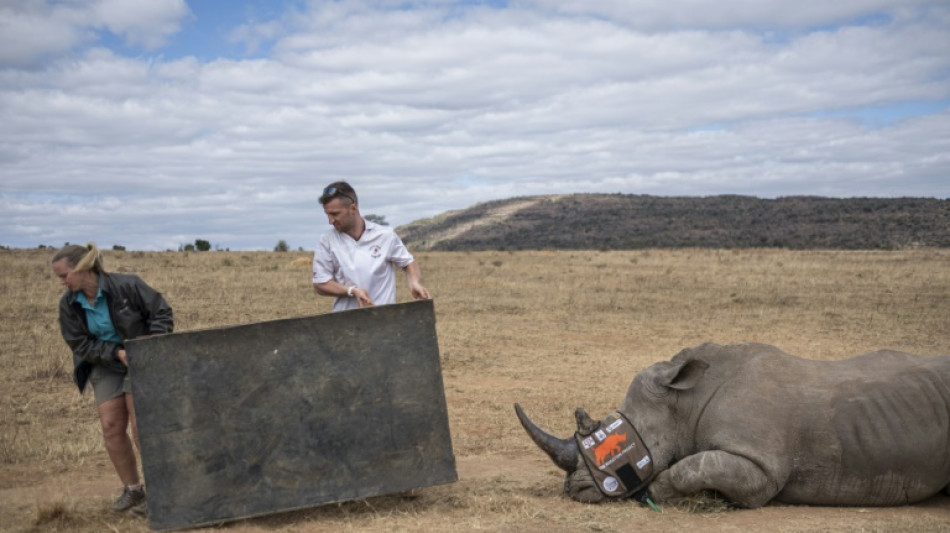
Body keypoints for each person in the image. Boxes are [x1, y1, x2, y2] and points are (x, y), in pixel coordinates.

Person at [51, 243, 173, 516]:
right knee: (111, 426)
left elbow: (162, 313)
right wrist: (116, 353)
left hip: (140, 359)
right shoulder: (68, 304)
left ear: (82, 269)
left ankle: (163, 492)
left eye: (64, 275)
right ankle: (132, 490)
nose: (61, 282)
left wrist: (146, 349)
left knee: (141, 427)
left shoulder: (127, 285)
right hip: (105, 361)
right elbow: (79, 343)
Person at [313, 181, 430, 312]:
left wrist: (414, 282)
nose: (330, 221)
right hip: (344, 323)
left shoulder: (385, 235)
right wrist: (351, 291)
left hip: (383, 319)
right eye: (327, 214)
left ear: (353, 208)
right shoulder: (327, 241)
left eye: (335, 214)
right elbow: (320, 284)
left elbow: (408, 262)